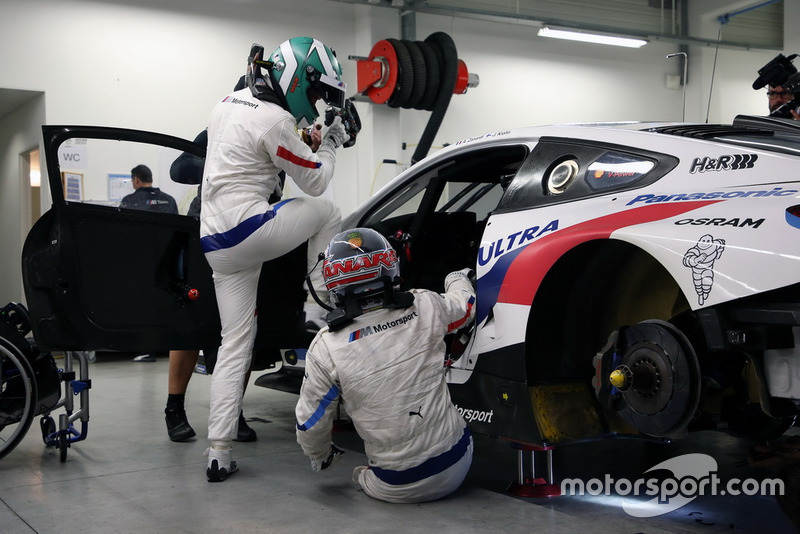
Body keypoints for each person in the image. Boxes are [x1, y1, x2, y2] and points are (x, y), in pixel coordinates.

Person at [200, 37, 349, 482]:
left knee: (234, 346)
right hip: (248, 229)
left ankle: (218, 451)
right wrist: (332, 142)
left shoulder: (229, 102)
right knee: (330, 211)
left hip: (215, 241)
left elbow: (261, 151)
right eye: (318, 90)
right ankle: (315, 309)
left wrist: (310, 139)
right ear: (300, 78)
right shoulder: (274, 120)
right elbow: (316, 182)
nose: (319, 101)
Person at [295, 228, 476, 503]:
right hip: (457, 464)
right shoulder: (426, 305)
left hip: (394, 486)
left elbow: (309, 424)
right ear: (390, 267)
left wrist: (320, 456)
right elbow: (467, 306)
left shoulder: (326, 346)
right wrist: (456, 278)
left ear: (334, 281)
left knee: (362, 474)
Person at [119, 164, 179, 362]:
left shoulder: (129, 202)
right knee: (165, 303)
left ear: (136, 179)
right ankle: (170, 347)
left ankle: (147, 350)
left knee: (142, 305)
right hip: (166, 263)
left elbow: (123, 235)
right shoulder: (169, 201)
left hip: (139, 264)